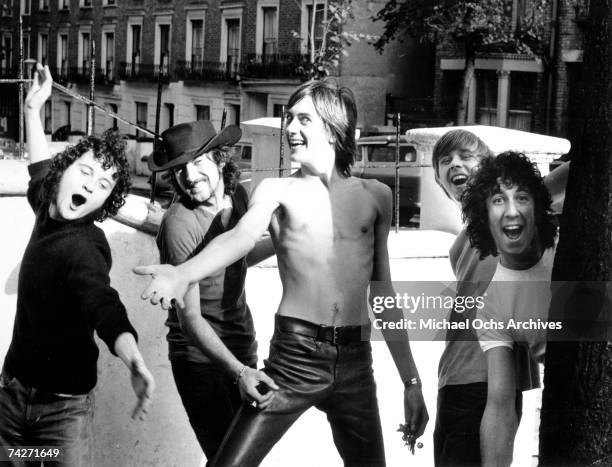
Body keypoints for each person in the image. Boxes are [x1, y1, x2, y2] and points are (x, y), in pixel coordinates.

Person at [135, 79, 428, 466]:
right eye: (289, 118)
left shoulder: (377, 196)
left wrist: (411, 381)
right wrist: (181, 273)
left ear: (334, 126)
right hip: (295, 359)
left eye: (303, 118)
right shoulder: (275, 190)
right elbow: (238, 239)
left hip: (356, 362)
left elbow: (385, 295)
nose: (290, 128)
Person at [0, 64, 155, 467]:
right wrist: (34, 110)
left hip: (62, 415)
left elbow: (102, 303)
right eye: (84, 171)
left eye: (103, 185)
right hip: (11, 400)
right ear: (64, 171)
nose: (89, 184)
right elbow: (38, 173)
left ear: (106, 203)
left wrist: (132, 354)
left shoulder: (87, 246)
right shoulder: (47, 208)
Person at [431, 129, 568, 466]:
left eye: (466, 156)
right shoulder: (457, 248)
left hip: (487, 381)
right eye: (444, 162)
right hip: (451, 382)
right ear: (440, 184)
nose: (454, 165)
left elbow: (581, 170)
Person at [150, 120, 277, 460]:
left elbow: (237, 260)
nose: (188, 177)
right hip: (201, 362)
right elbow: (189, 319)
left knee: (239, 457)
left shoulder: (238, 196)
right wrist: (240, 371)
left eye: (198, 162)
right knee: (228, 457)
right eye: (178, 169)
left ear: (221, 159)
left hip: (242, 346)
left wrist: (281, 241)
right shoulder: (178, 224)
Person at [461, 151, 557, 466]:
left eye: (522, 197)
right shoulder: (492, 306)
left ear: (538, 208)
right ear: (484, 217)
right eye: (498, 200)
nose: (512, 211)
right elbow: (500, 404)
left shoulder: (576, 242)